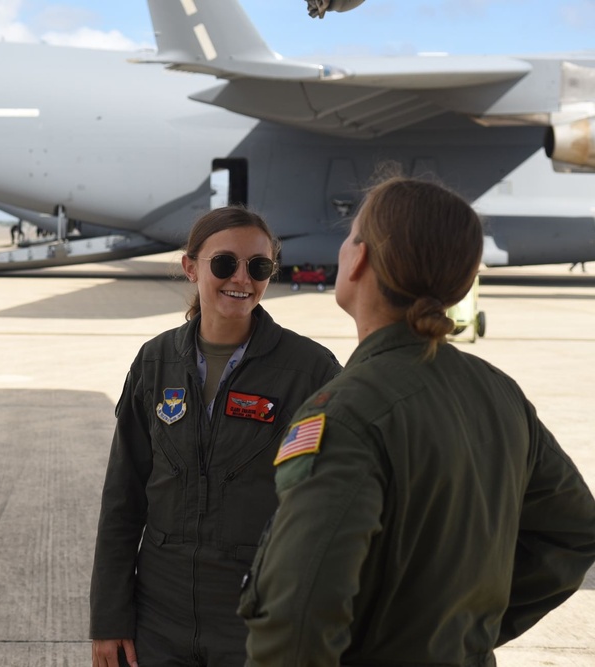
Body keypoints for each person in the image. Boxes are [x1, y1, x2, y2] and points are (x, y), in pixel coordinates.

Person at [239, 177, 595, 665]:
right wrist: (460, 629)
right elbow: (572, 533)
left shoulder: (345, 412)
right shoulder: (498, 392)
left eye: (350, 236)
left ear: (358, 259)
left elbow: (297, 617)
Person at [90, 206, 341, 667]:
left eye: (259, 266)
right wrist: (109, 619)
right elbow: (123, 498)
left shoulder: (310, 371)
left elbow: (330, 510)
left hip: (257, 616)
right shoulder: (155, 361)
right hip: (158, 615)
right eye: (225, 263)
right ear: (191, 267)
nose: (241, 278)